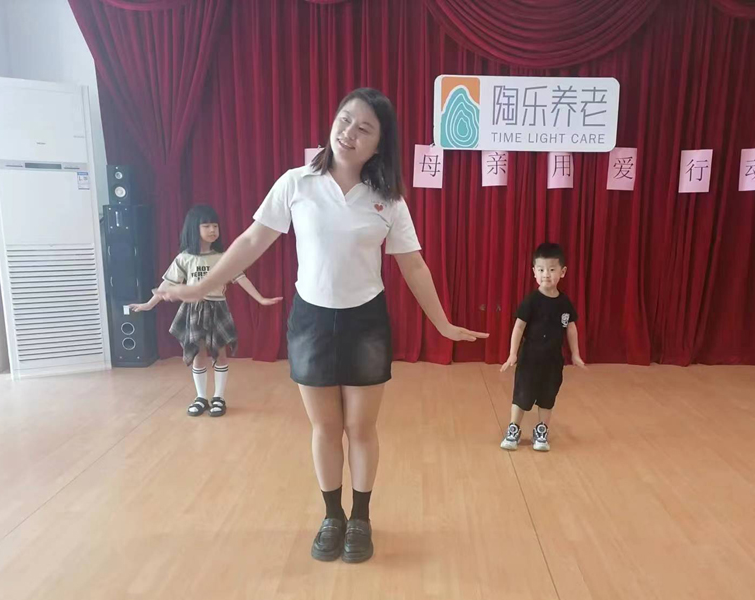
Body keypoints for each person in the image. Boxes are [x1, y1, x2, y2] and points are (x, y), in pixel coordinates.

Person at [157, 88, 488, 562]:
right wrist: (198, 287)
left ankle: (361, 518)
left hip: (366, 321)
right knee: (325, 426)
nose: (349, 133)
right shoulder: (297, 183)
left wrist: (443, 324)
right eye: (345, 120)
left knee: (361, 427)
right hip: (311, 320)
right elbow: (250, 241)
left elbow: (414, 265)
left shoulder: (388, 199)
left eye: (364, 128)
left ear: (379, 145)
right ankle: (333, 516)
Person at [131, 204, 281, 417]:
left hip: (217, 308)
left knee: (220, 354)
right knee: (198, 355)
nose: (212, 230)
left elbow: (241, 279)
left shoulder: (223, 256)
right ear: (194, 229)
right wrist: (148, 304)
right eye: (207, 226)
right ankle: (201, 397)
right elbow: (167, 285)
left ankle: (219, 397)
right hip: (193, 310)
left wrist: (261, 299)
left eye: (215, 226)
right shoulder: (184, 258)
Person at [499, 242, 586, 452]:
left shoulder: (564, 303)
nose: (546, 274)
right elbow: (519, 327)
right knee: (522, 394)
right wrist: (512, 354)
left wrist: (575, 354)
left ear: (562, 272)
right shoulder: (531, 301)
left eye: (552, 269)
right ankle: (513, 429)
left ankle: (541, 431)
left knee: (548, 397)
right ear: (534, 272)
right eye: (541, 269)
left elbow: (571, 328)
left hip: (553, 361)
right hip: (529, 359)